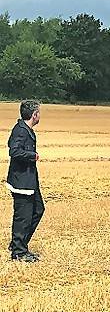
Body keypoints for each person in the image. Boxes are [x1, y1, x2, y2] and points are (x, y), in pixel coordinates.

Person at [6, 100, 44, 262]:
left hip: (28, 180)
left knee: (38, 210)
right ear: (34, 115)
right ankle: (19, 253)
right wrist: (32, 156)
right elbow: (14, 151)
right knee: (23, 217)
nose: (40, 116)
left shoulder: (23, 129)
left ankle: (18, 244)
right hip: (21, 182)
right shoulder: (21, 130)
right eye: (39, 113)